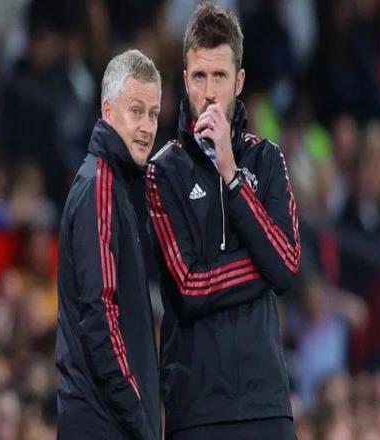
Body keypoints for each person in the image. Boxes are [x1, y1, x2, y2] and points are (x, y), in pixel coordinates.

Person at [146, 3, 300, 439]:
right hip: (197, 406)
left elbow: (287, 268)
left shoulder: (266, 159)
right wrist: (261, 266)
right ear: (185, 80)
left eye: (220, 76)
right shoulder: (164, 171)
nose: (210, 92)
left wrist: (232, 176)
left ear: (239, 81)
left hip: (266, 401)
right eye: (199, 76)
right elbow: (190, 287)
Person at [56, 49, 162, 440]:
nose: (147, 126)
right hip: (105, 424)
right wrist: (138, 417)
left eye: (153, 114)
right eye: (136, 111)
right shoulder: (99, 184)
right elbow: (100, 313)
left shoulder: (116, 184)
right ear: (107, 110)